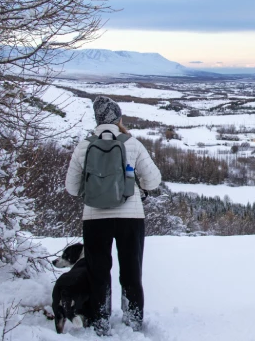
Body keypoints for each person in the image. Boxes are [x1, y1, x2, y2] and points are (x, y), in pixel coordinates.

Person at [65, 96, 162, 335]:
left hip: (95, 218)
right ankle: (133, 320)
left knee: (98, 272)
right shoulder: (132, 143)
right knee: (131, 271)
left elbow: (72, 188)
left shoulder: (84, 146)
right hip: (131, 217)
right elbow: (153, 180)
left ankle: (100, 321)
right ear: (118, 119)